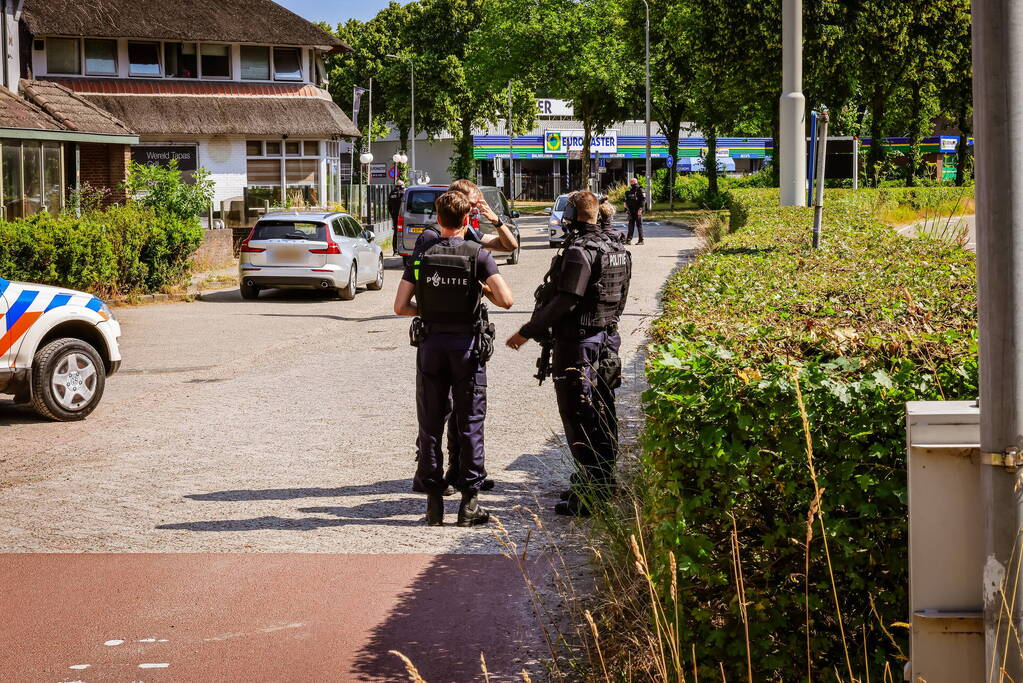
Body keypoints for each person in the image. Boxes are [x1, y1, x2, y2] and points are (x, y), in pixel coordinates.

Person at [506, 191, 632, 516]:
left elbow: (567, 301)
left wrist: (527, 331)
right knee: (603, 412)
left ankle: (590, 494)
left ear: (573, 216)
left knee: (580, 416)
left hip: (579, 344)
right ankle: (599, 481)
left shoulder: (580, 251)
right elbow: (620, 298)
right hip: (606, 341)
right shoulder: (616, 247)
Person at [394, 190, 514, 526]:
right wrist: (477, 289)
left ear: (438, 217)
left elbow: (401, 306)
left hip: (431, 346)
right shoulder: (477, 254)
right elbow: (506, 299)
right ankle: (469, 505)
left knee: (430, 424)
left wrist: (430, 311)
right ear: (466, 220)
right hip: (467, 347)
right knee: (469, 422)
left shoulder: (422, 254)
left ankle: (433, 506)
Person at [624, 178, 646, 245]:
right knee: (631, 225)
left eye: (631, 182)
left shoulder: (640, 189)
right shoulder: (630, 191)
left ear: (634, 182)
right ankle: (628, 240)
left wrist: (640, 209)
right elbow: (627, 201)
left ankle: (641, 240)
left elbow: (643, 200)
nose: (631, 183)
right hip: (631, 211)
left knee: (639, 225)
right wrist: (626, 209)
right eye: (631, 182)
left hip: (637, 210)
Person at [387, 180, 405, 256]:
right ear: (402, 186)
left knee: (396, 233)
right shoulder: (403, 193)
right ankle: (404, 248)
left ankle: (395, 251)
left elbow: (389, 206)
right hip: (404, 216)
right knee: (405, 232)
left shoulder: (391, 194)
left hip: (395, 216)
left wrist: (393, 214)